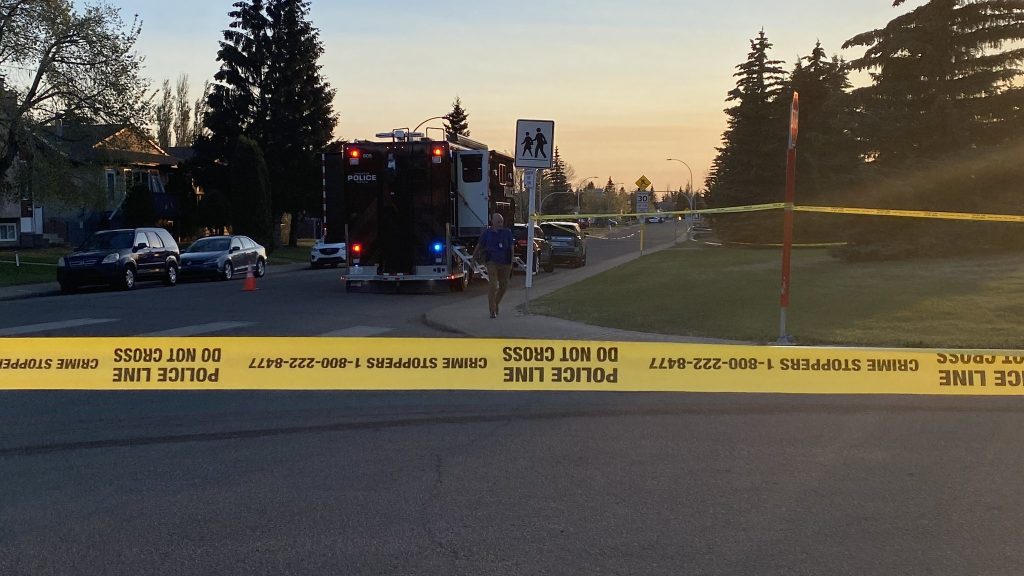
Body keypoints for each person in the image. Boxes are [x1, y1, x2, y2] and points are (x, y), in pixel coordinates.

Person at [474, 213, 514, 318]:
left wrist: (511, 263)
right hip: (492, 262)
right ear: (492, 222)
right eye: (498, 222)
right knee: (493, 285)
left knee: (503, 287)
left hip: (505, 262)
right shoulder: (487, 233)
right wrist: (473, 258)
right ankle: (492, 310)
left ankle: (496, 303)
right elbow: (479, 246)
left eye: (501, 221)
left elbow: (511, 248)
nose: (500, 224)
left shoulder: (507, 233)